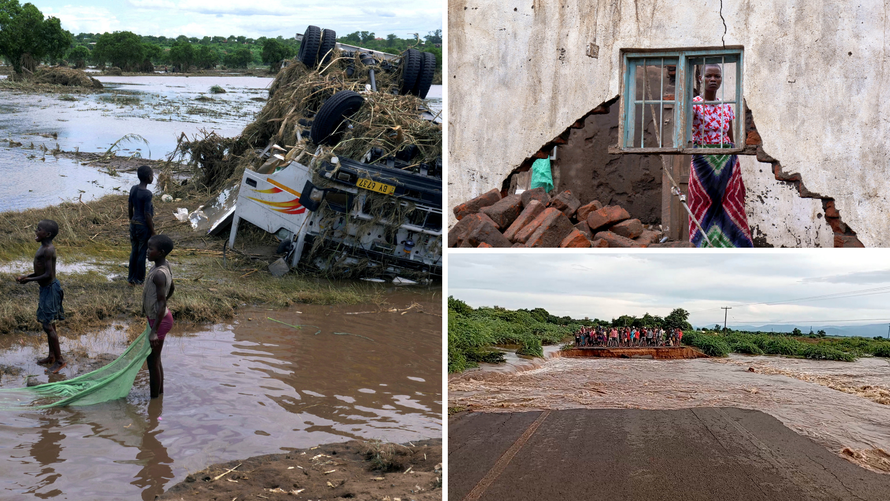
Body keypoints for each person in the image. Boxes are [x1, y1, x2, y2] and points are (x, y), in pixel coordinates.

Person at [688, 64, 753, 248]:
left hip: (726, 162)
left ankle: (732, 246)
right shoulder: (695, 105)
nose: (713, 79)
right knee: (703, 204)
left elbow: (730, 137)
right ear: (701, 78)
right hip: (703, 163)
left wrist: (734, 160)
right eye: (709, 76)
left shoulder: (726, 107)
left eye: (717, 76)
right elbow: (685, 128)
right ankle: (703, 246)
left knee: (730, 204)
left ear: (721, 79)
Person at [16, 220, 66, 373]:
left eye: (39, 229)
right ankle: (51, 356)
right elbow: (41, 272)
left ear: (48, 234)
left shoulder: (49, 250)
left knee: (47, 325)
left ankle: (59, 361)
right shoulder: (43, 248)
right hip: (46, 288)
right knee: (50, 323)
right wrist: (27, 276)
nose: (36, 231)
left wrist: (28, 279)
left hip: (50, 289)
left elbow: (48, 274)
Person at [143, 235, 175, 398]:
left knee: (152, 361)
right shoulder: (164, 266)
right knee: (156, 359)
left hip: (160, 321)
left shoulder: (159, 274)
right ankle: (159, 394)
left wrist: (154, 331)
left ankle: (154, 401)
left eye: (150, 249)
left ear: (161, 252)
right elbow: (172, 288)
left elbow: (162, 303)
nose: (147, 251)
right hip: (160, 317)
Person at [128, 166, 155, 285]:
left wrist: (132, 220)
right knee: (142, 252)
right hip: (143, 226)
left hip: (133, 224)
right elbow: (147, 214)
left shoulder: (133, 189)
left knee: (134, 251)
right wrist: (153, 231)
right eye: (152, 175)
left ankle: (131, 278)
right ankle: (139, 279)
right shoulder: (147, 194)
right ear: (149, 177)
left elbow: (130, 206)